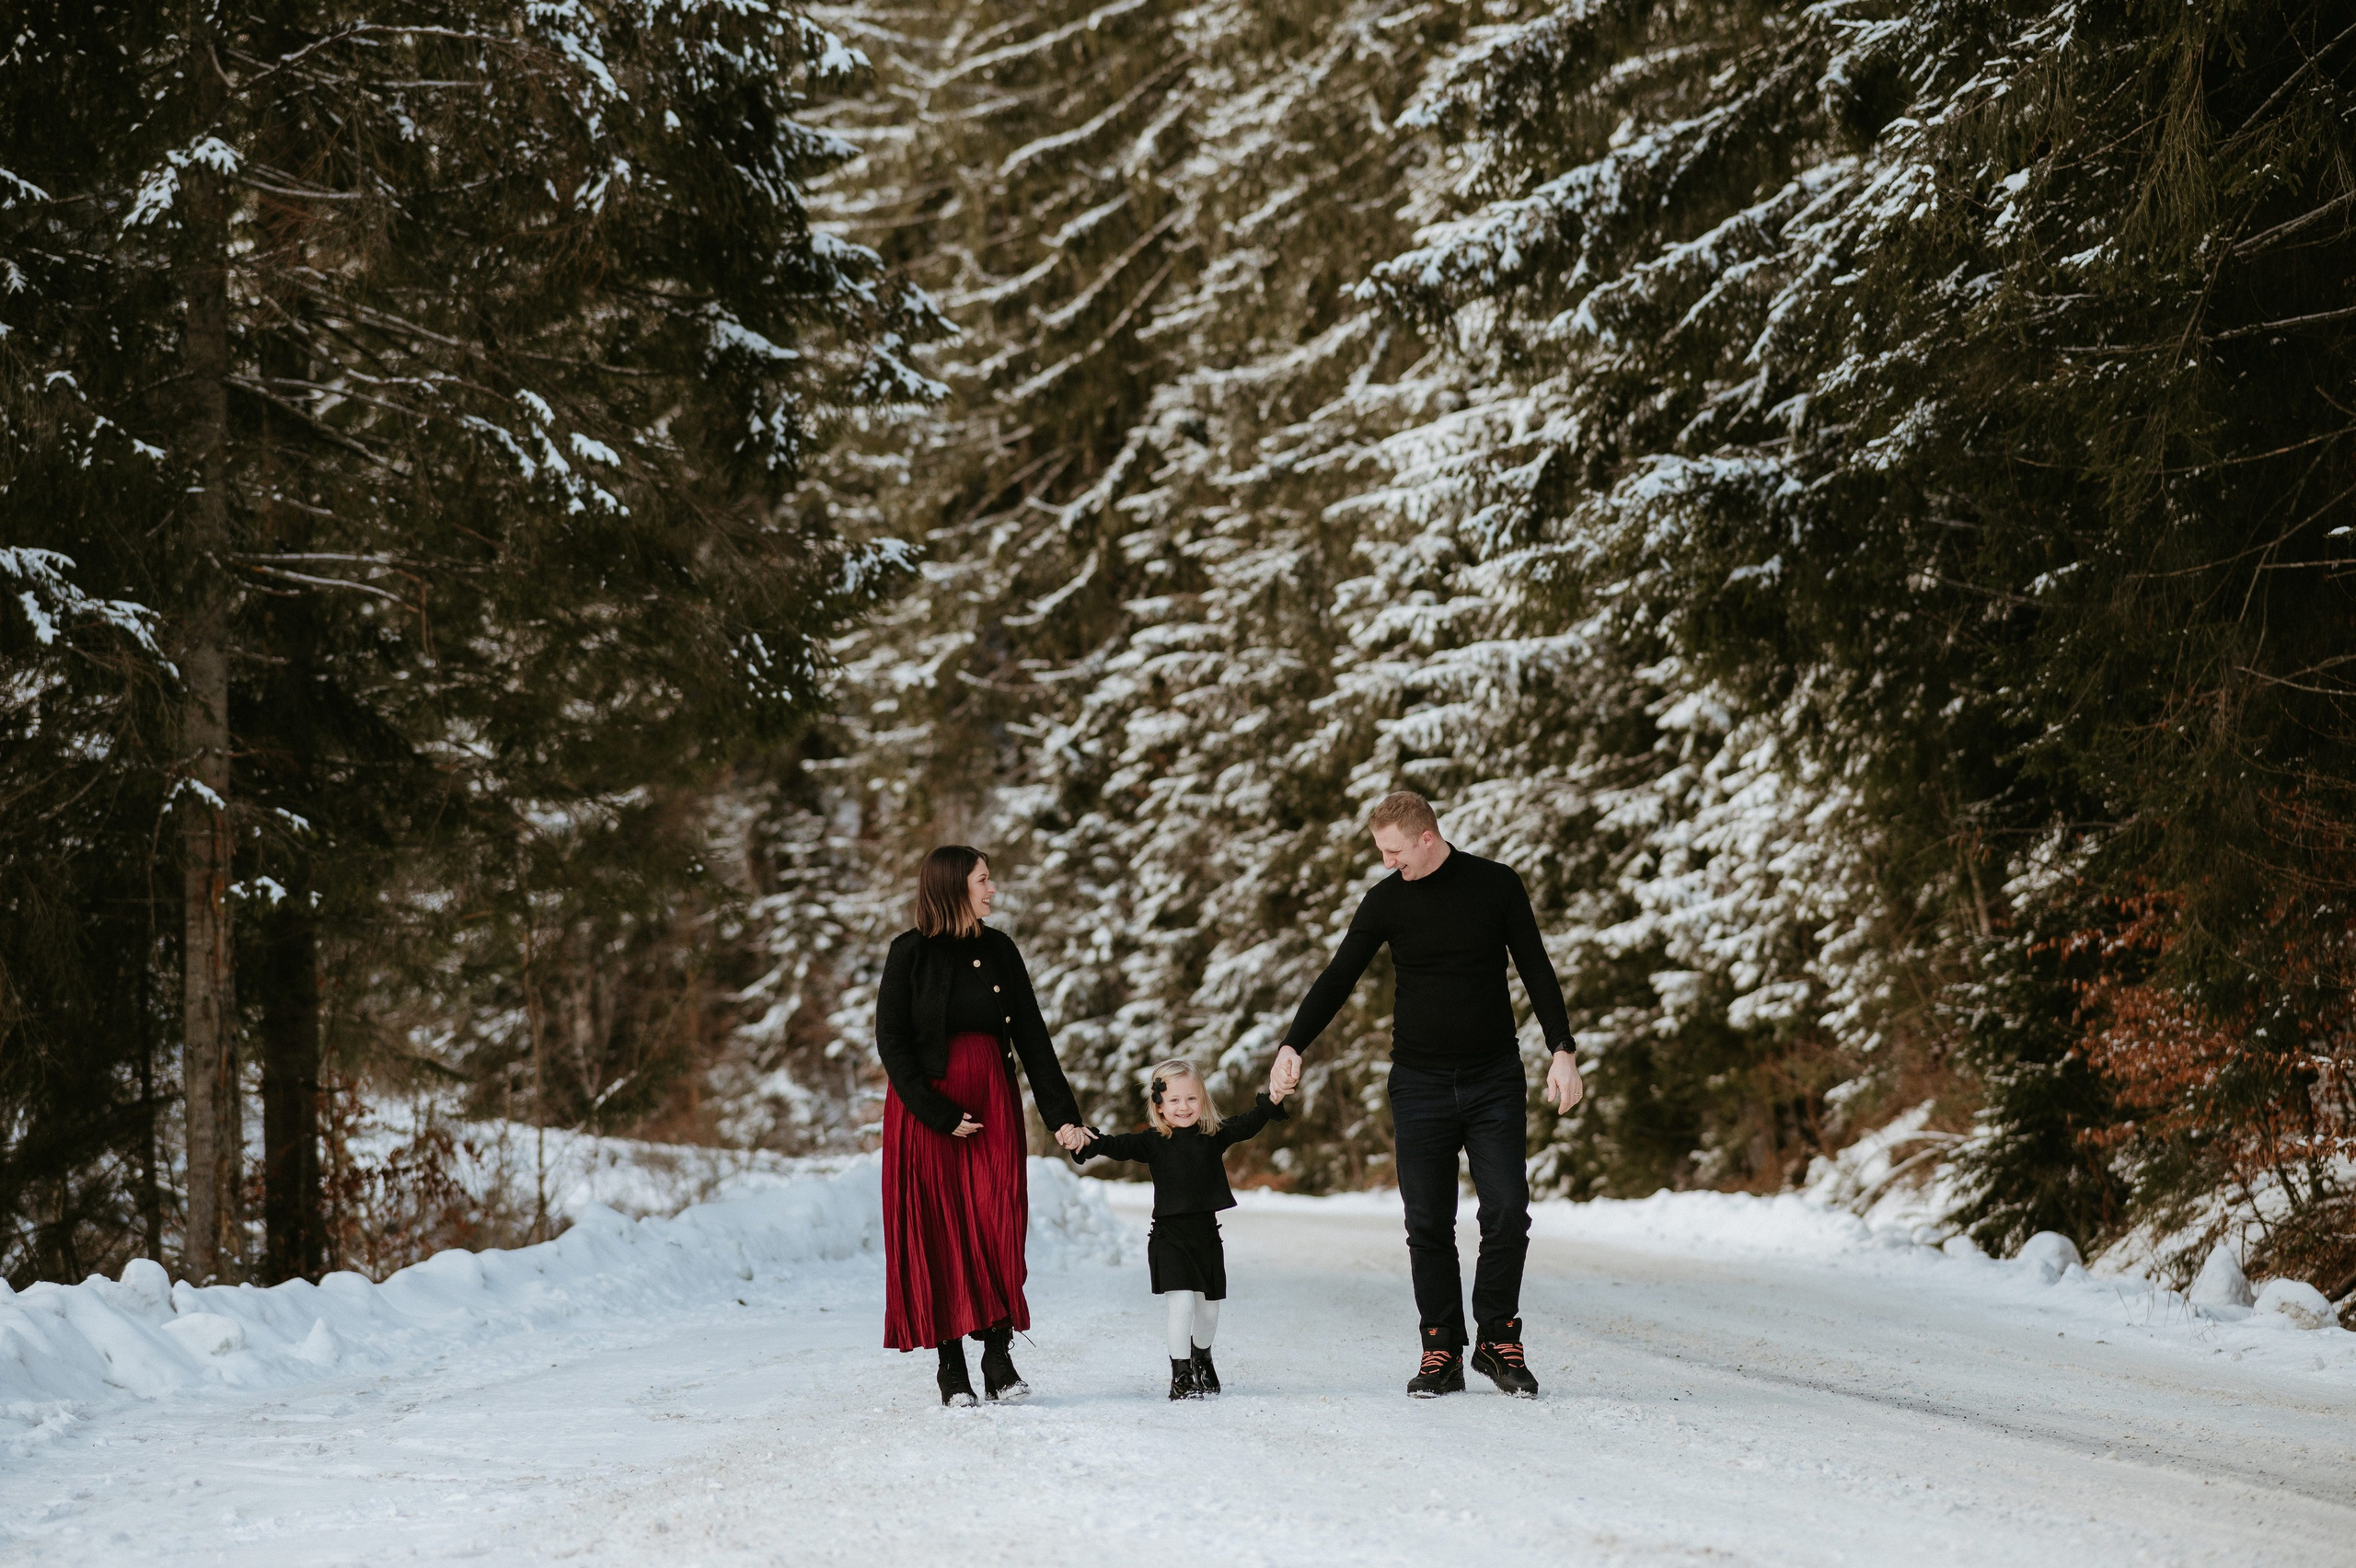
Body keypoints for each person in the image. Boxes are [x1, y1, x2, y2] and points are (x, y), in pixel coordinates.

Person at [1267, 790, 1583, 1399]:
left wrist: (1561, 1049)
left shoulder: (1496, 885)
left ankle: (1498, 1338)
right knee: (1428, 1221)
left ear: (1427, 838)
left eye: (1395, 852)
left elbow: (1535, 965)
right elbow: (1338, 975)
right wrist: (1292, 1044)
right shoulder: (1386, 901)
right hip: (1418, 1084)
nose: (1388, 863)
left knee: (1507, 1209)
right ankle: (1441, 1348)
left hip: (1493, 1078)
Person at [874, 846, 1092, 1406]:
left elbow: (1032, 1036)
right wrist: (938, 1114)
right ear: (953, 886)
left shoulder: (999, 950)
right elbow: (892, 1043)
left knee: (998, 1218)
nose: (992, 889)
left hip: (993, 1104)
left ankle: (998, 1356)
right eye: (983, 880)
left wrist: (1064, 1118)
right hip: (926, 1116)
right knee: (939, 1227)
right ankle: (951, 1368)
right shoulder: (908, 953)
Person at [1071, 1057, 1290, 1399]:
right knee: (1182, 1304)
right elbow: (1116, 1145)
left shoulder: (1213, 1135)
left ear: (1202, 1100)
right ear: (1159, 1105)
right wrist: (1087, 1140)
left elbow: (1248, 1123)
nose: (1184, 1107)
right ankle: (1181, 1374)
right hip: (1169, 1239)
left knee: (1209, 1311)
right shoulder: (1152, 1141)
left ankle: (1202, 1357)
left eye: (1191, 1098)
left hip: (1206, 1238)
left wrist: (1272, 1100)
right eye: (1174, 1099)